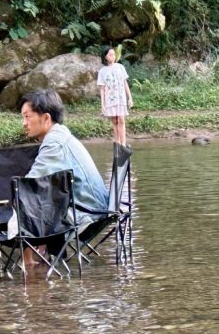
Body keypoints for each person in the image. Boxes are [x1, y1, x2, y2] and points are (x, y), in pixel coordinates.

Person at [19, 89, 109, 220]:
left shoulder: (54, 143)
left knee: (26, 220)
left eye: (27, 117)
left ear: (45, 118)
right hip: (94, 207)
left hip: (87, 212)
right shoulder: (60, 134)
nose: (24, 123)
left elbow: (29, 186)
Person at [97, 46, 133, 146]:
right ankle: (117, 142)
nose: (113, 56)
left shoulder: (120, 67)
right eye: (110, 55)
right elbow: (102, 89)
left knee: (121, 120)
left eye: (114, 54)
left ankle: (123, 143)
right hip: (110, 99)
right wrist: (102, 105)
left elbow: (125, 83)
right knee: (115, 121)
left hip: (121, 98)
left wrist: (130, 97)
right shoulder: (102, 71)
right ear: (105, 57)